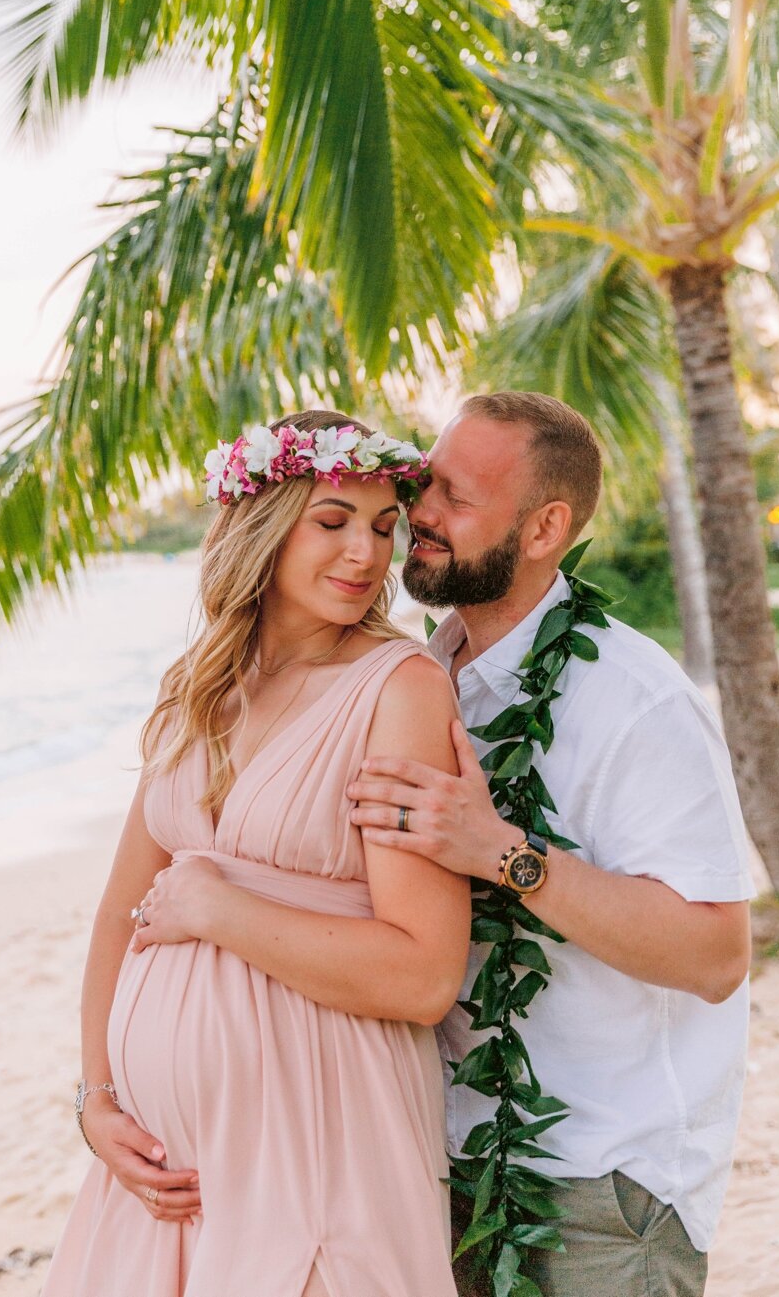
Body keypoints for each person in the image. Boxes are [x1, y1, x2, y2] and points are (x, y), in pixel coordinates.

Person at [46, 410, 469, 1295]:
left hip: (321, 1139)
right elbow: (117, 917)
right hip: (164, 1176)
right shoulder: (196, 690)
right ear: (262, 526)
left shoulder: (398, 689)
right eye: (333, 521)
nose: (366, 554)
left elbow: (423, 974)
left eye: (385, 528)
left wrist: (221, 909)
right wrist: (97, 1103)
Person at [347, 392, 755, 1297]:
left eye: (456, 496)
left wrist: (502, 852)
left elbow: (717, 951)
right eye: (426, 484)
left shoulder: (634, 698)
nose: (421, 513)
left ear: (544, 529)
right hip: (447, 1155)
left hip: (601, 1187)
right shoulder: (418, 677)